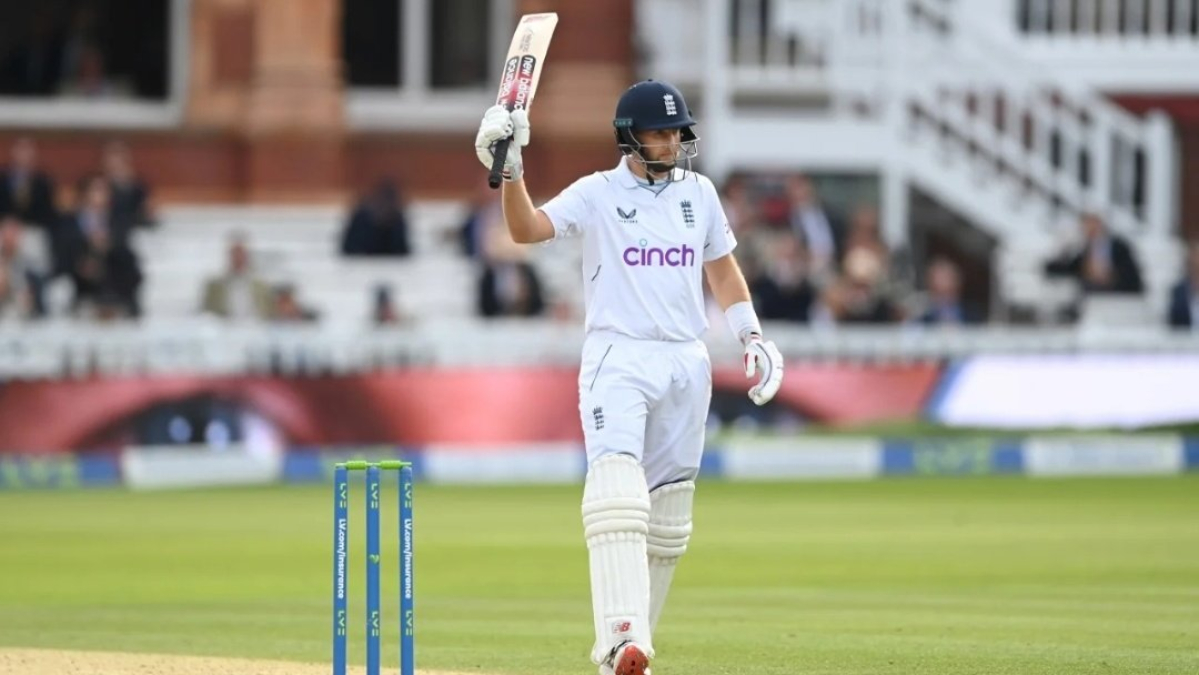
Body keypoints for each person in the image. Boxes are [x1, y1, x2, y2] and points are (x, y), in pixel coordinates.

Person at [475, 79, 785, 675]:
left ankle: (633, 652)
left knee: (669, 520)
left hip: (685, 359)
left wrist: (752, 336)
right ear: (629, 136)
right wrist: (510, 171)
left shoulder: (700, 193)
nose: (671, 141)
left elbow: (722, 273)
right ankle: (618, 640)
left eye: (676, 131)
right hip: (619, 356)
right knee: (619, 497)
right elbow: (526, 231)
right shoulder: (597, 192)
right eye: (660, 132)